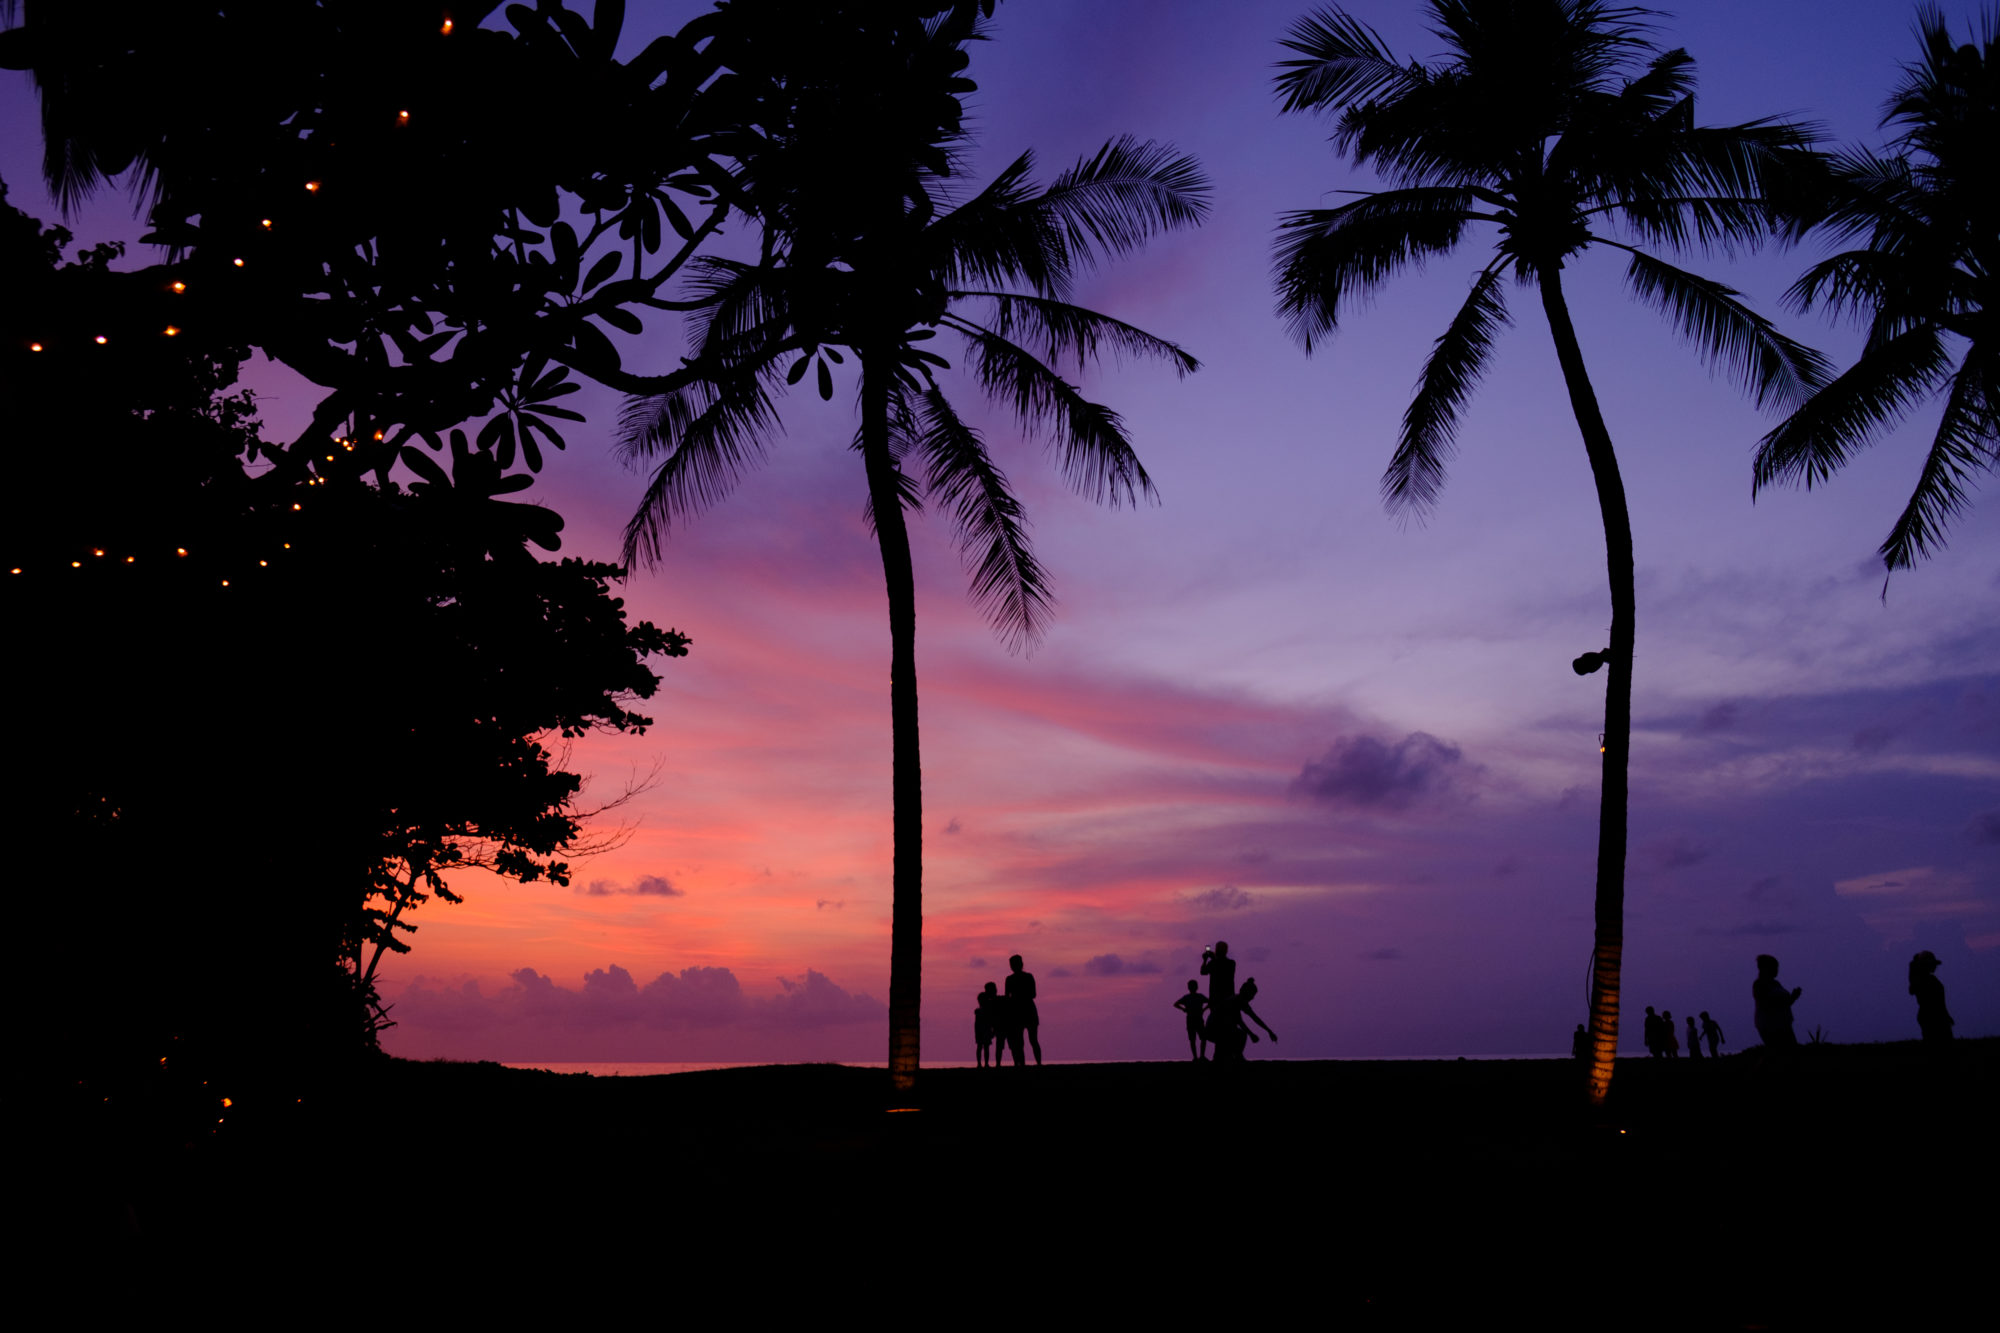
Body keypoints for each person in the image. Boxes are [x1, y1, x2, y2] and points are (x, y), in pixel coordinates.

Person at [1752, 954, 1802, 1050]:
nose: (1777, 970)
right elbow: (1765, 1004)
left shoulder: (1776, 983)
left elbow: (1785, 1003)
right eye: (1774, 967)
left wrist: (1793, 997)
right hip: (1770, 1026)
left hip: (1783, 1024)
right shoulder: (1759, 985)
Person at [1200, 942, 1239, 1063]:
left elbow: (1203, 971)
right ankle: (1224, 1054)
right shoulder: (1230, 963)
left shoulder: (1218, 963)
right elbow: (1204, 972)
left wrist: (1206, 960)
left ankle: (1221, 1055)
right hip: (1225, 999)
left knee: (1220, 1027)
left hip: (1218, 1000)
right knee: (1226, 1027)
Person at [1909, 951, 1954, 1043]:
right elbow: (1936, 1002)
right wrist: (1944, 1015)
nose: (1935, 967)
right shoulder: (1926, 981)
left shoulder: (1923, 980)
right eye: (1932, 964)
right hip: (1933, 1017)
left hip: (1930, 1016)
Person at [1005, 954, 1041, 1066]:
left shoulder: (1023, 977)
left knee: (1030, 1040)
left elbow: (1033, 994)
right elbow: (1008, 997)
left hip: (1024, 1011)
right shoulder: (1012, 979)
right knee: (1024, 1041)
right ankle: (1027, 1063)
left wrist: (1017, 997)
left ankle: (1034, 1063)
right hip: (1020, 1011)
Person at [1173, 980, 1209, 1061]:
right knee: (1196, 1039)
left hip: (1196, 1019)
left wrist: (1203, 1009)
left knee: (1199, 1038)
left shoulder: (1195, 997)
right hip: (1193, 1019)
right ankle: (1198, 1057)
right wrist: (1184, 1009)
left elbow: (1176, 1004)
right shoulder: (1191, 997)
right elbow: (1176, 1004)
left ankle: (1199, 1056)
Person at [975, 981, 1001, 1068]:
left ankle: (984, 1063)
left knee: (984, 1046)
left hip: (985, 1027)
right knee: (982, 1046)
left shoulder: (989, 1003)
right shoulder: (985, 1002)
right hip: (982, 1027)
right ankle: (981, 1063)